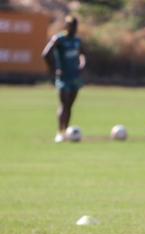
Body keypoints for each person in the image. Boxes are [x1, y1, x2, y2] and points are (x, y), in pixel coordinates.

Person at [42, 15, 86, 143]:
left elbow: (83, 54)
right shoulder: (59, 39)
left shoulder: (77, 41)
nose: (73, 28)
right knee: (64, 104)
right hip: (64, 77)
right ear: (67, 26)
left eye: (75, 26)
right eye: (71, 25)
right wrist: (53, 69)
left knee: (70, 105)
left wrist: (82, 64)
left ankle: (66, 130)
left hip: (75, 77)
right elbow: (45, 54)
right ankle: (60, 132)